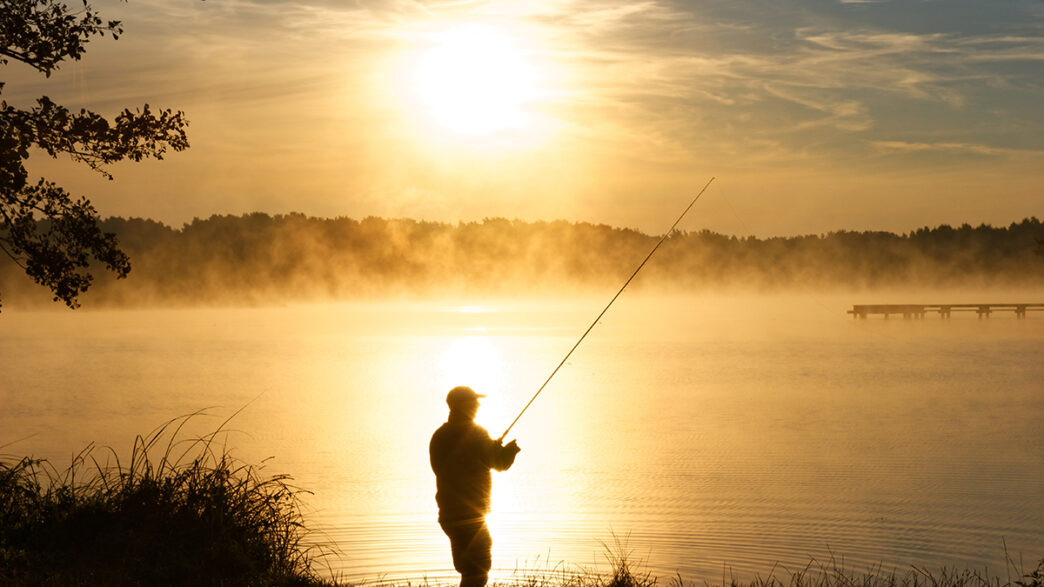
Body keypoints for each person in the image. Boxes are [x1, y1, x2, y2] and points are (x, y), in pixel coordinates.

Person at [430, 386, 521, 587]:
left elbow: (446, 467)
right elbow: (499, 463)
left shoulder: (439, 436)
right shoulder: (477, 433)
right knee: (478, 570)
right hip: (471, 515)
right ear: (463, 405)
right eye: (474, 401)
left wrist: (489, 449)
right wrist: (510, 450)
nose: (478, 405)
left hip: (448, 515)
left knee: (469, 569)